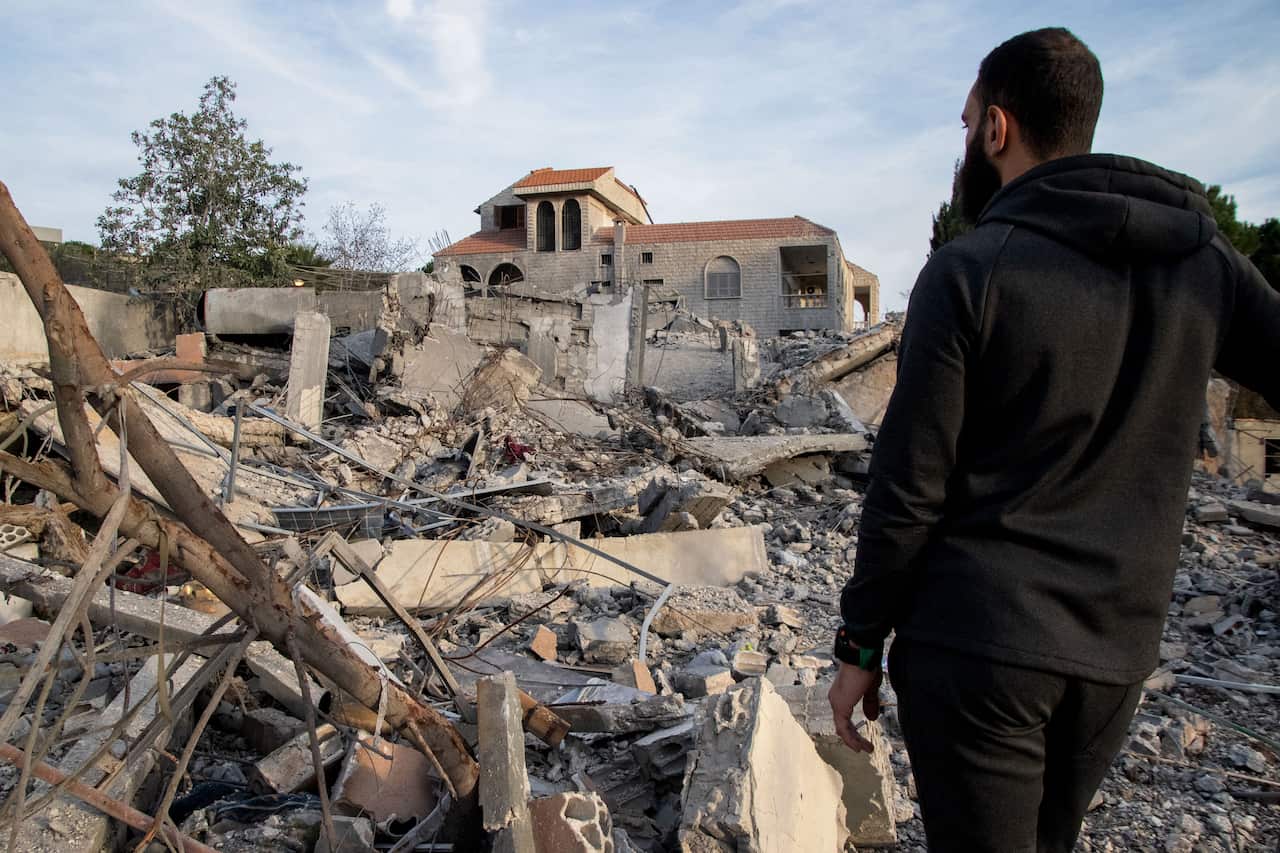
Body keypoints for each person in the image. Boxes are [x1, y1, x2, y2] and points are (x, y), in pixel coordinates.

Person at [827, 26, 1280, 852]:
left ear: (998, 129)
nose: (964, 144)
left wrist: (859, 641)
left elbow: (908, 484)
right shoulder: (1202, 260)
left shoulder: (972, 269)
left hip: (977, 648)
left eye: (966, 126)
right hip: (1115, 657)